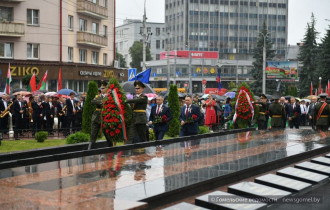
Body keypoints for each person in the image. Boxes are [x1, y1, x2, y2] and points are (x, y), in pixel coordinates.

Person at [88, 81, 113, 150]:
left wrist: (101, 102)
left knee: (107, 134)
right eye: (101, 88)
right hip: (96, 117)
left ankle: (111, 148)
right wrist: (102, 102)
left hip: (105, 117)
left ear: (107, 89)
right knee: (93, 134)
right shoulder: (97, 96)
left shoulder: (109, 97)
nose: (102, 90)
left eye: (103, 88)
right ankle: (89, 149)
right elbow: (93, 101)